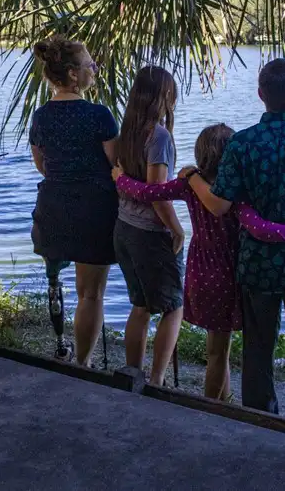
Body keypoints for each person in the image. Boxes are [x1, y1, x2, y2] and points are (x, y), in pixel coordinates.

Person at [186, 59, 285, 425]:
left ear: (261, 95)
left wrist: (192, 177)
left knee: (257, 354)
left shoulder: (241, 145)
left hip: (257, 267)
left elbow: (220, 204)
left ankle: (262, 427)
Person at [113, 123, 285, 400]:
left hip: (200, 269)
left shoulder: (189, 186)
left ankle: (224, 401)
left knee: (218, 348)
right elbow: (262, 229)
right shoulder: (235, 195)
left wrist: (120, 178)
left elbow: (147, 193)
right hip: (226, 273)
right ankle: (213, 407)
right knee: (218, 352)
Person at [30, 36, 118, 366]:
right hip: (94, 209)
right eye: (89, 66)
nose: (94, 70)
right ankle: (83, 364)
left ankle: (62, 346)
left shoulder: (41, 117)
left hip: (53, 208)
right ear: (72, 74)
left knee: (60, 283)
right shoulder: (99, 116)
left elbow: (42, 164)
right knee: (90, 294)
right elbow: (115, 164)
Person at [114, 66, 184, 387]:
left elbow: (123, 181)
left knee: (140, 307)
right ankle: (156, 381)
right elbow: (158, 193)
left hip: (124, 229)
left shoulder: (127, 130)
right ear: (163, 97)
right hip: (149, 234)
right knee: (173, 307)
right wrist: (177, 229)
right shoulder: (159, 136)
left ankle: (133, 375)